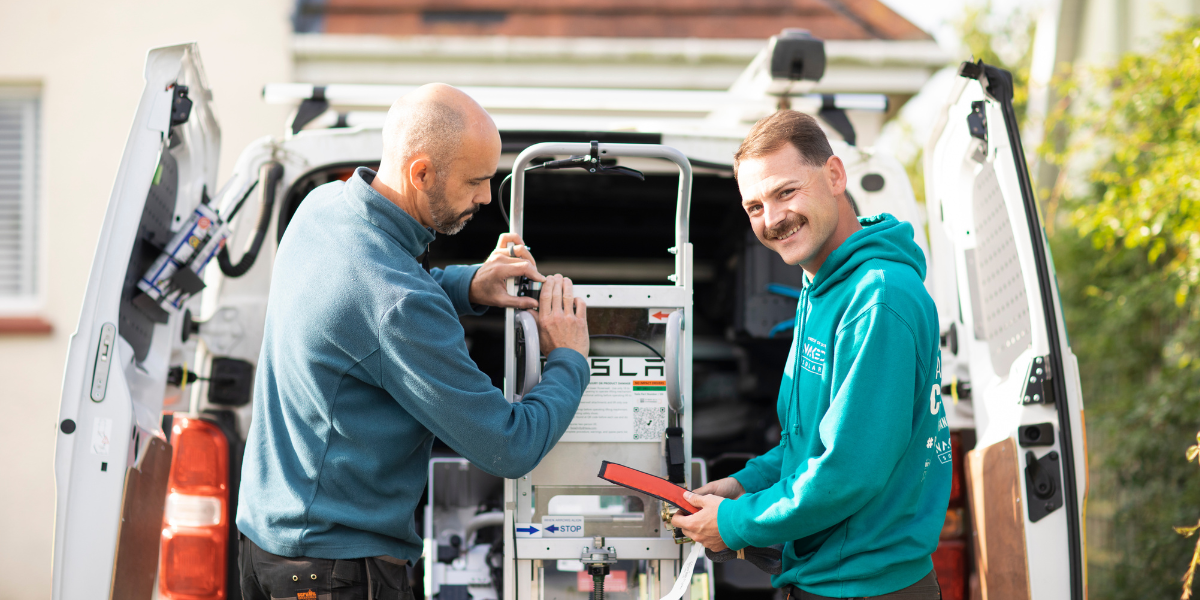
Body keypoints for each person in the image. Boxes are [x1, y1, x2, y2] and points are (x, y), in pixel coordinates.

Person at [235, 83, 591, 600]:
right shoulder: (399, 306)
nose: (486, 198)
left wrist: (468, 284)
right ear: (421, 172)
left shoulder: (323, 209)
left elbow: (362, 303)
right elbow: (509, 445)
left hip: (268, 546)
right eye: (475, 181)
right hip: (337, 570)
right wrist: (569, 359)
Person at [672, 110, 949, 599]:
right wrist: (740, 486)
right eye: (755, 206)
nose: (773, 219)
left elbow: (847, 472)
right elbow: (809, 445)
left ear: (835, 175)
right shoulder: (821, 287)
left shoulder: (879, 297)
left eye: (785, 192)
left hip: (865, 588)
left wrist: (736, 523)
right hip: (827, 579)